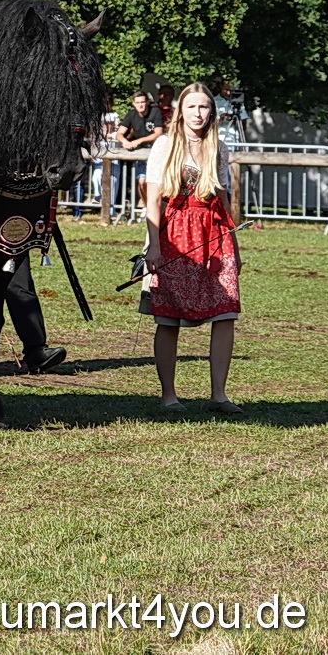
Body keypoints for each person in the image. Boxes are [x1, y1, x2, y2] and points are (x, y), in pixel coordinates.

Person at [142, 83, 241, 415]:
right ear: (180, 111)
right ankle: (169, 395)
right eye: (192, 107)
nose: (198, 114)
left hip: (214, 235)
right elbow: (153, 200)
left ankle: (219, 395)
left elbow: (223, 199)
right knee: (168, 316)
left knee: (226, 310)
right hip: (173, 234)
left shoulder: (219, 148)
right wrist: (154, 247)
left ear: (211, 111)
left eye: (204, 107)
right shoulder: (165, 145)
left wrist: (235, 246)